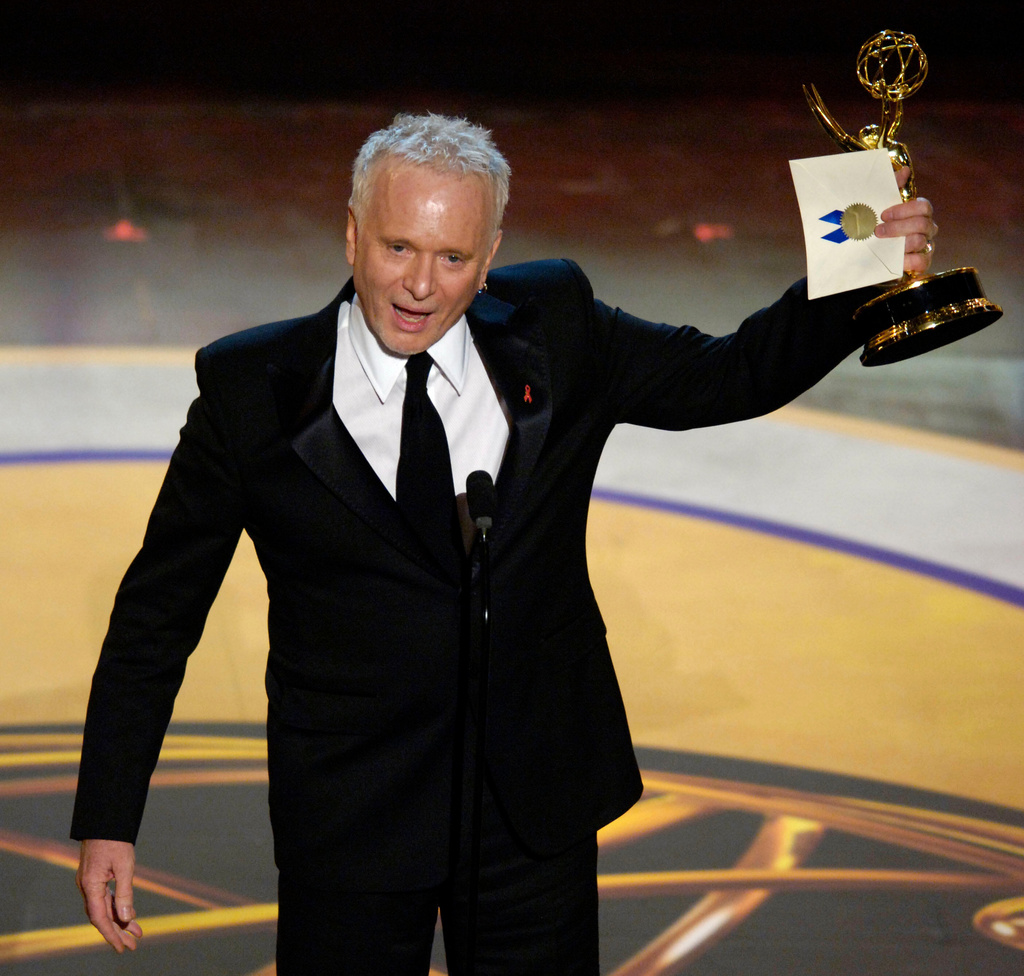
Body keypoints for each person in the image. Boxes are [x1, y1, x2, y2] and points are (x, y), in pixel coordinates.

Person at [72, 113, 937, 974]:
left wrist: (862, 265)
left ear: (488, 257)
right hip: (354, 823)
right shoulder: (249, 389)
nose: (419, 284)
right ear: (351, 235)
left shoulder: (557, 326)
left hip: (532, 814)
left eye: (452, 258)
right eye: (398, 248)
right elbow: (159, 611)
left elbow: (732, 372)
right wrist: (110, 814)